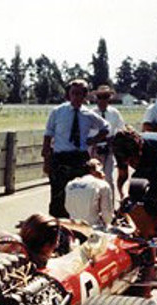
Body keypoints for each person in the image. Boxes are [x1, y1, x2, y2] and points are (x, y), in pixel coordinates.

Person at [42, 79, 109, 218]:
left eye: (80, 94)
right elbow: (48, 135)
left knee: (79, 194)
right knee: (58, 196)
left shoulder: (89, 115)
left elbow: (105, 128)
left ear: (85, 96)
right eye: (73, 93)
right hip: (60, 159)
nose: (76, 97)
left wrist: (94, 140)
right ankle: (56, 228)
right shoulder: (58, 112)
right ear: (69, 95)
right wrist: (46, 161)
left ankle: (76, 228)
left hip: (79, 159)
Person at [89, 84, 125, 200]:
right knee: (94, 178)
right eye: (100, 97)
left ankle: (109, 206)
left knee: (108, 177)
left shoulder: (115, 113)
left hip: (109, 149)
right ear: (96, 98)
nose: (103, 100)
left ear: (109, 98)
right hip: (94, 150)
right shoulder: (90, 114)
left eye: (105, 96)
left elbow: (121, 129)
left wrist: (113, 140)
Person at [65, 158, 114, 227]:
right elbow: (107, 215)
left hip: (74, 226)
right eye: (101, 170)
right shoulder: (102, 184)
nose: (104, 174)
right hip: (93, 228)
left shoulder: (70, 184)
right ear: (93, 171)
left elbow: (67, 207)